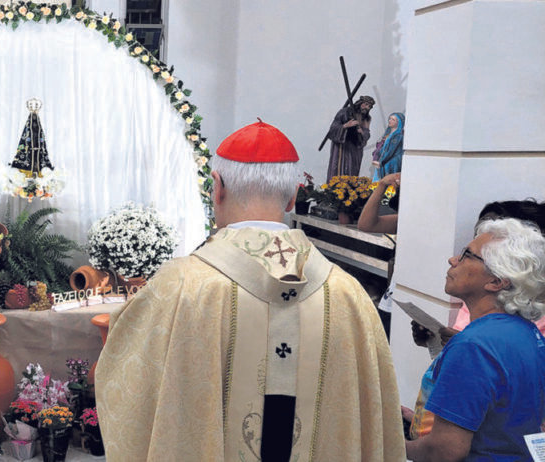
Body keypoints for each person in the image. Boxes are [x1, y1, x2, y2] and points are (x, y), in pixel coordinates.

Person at [96, 120, 405, 461]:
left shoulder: (179, 287)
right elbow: (377, 420)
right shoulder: (349, 296)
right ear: (293, 197)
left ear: (217, 188)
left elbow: (126, 383)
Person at [405, 218, 545, 461]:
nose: (453, 260)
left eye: (466, 255)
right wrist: (421, 423)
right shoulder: (526, 332)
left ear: (496, 281)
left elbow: (445, 451)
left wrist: (391, 445)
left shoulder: (473, 346)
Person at [326, 95, 374, 182]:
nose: (367, 107)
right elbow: (333, 128)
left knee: (352, 170)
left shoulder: (367, 118)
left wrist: (362, 132)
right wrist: (346, 126)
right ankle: (334, 191)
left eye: (369, 106)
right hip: (342, 146)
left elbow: (367, 133)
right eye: (366, 104)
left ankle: (350, 192)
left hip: (355, 147)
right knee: (338, 169)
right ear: (360, 103)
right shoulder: (344, 112)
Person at [372, 112, 405, 181]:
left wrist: (380, 161)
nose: (390, 120)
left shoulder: (397, 135)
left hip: (390, 162)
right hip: (384, 160)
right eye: (390, 118)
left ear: (399, 122)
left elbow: (390, 150)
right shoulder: (389, 134)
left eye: (393, 119)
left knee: (385, 182)